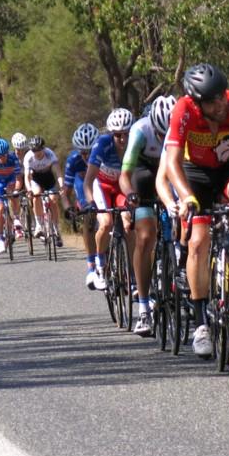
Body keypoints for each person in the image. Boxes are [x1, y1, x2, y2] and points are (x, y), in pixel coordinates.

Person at [164, 63, 229, 358]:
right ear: (197, 102)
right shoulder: (184, 110)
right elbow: (172, 162)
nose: (220, 103)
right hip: (195, 173)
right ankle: (200, 325)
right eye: (212, 100)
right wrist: (185, 196)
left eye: (221, 95)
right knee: (197, 240)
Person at [119, 97, 176, 336]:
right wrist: (131, 195)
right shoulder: (140, 130)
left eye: (168, 134)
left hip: (171, 169)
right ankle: (143, 307)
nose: (164, 139)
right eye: (160, 134)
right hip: (143, 173)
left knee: (185, 219)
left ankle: (180, 271)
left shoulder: (182, 129)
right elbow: (125, 175)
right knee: (145, 236)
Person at [84, 109, 136, 291]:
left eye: (126, 134)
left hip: (122, 188)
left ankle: (132, 274)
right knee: (106, 223)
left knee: (129, 224)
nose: (122, 139)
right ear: (111, 134)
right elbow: (88, 180)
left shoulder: (136, 143)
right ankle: (100, 263)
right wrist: (91, 203)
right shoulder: (102, 144)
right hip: (102, 187)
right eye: (118, 135)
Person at [63, 122, 100, 289]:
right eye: (83, 152)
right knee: (89, 216)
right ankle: (91, 264)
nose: (86, 156)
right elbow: (66, 191)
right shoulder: (73, 160)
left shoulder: (103, 153)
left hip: (101, 183)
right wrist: (67, 207)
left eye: (90, 152)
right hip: (83, 186)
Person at [23, 135, 63, 246]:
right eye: (34, 150)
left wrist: (61, 186)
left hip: (48, 178)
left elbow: (58, 171)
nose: (37, 152)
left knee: (53, 199)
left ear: (43, 148)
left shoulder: (50, 154)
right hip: (36, 179)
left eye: (39, 149)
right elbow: (27, 177)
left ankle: (56, 228)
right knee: (36, 196)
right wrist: (29, 190)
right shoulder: (28, 157)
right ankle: (39, 224)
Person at [0, 138, 22, 254]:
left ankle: (16, 218)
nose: (1, 158)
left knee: (13, 193)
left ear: (7, 153)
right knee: (0, 208)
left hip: (10, 181)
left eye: (3, 155)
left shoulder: (13, 159)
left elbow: (18, 179)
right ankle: (0, 239)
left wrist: (17, 190)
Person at [10, 132, 29, 237]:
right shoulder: (11, 157)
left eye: (22, 150)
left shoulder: (29, 154)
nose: (20, 152)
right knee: (14, 196)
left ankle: (33, 220)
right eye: (18, 150)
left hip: (27, 177)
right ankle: (16, 219)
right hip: (16, 179)